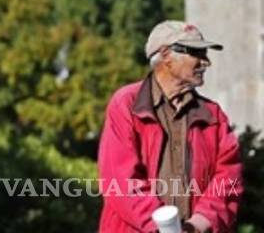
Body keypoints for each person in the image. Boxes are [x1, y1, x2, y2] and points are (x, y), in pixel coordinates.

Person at [97, 20, 242, 233]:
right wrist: (163, 228)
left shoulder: (214, 115)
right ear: (165, 55)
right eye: (196, 53)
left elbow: (228, 179)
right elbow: (120, 182)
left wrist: (198, 225)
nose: (206, 62)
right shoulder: (126, 104)